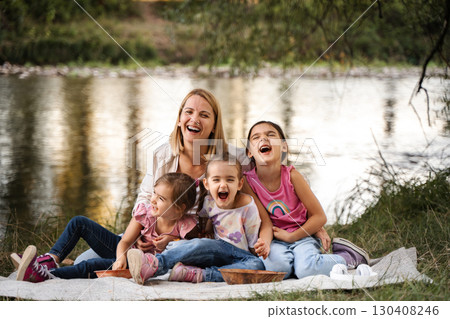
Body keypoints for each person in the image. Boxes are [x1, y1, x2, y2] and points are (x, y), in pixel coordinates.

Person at [73, 88, 274, 263]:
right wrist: (144, 231)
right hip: (157, 232)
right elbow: (145, 197)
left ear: (214, 125)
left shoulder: (232, 158)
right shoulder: (162, 155)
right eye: (189, 112)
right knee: (84, 260)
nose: (194, 119)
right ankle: (56, 263)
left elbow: (266, 168)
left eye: (204, 115)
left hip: (194, 242)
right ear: (179, 120)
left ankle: (150, 264)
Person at [15, 173, 197, 282]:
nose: (153, 200)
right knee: (79, 222)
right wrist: (120, 258)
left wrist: (173, 241)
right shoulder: (146, 212)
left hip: (139, 265)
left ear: (180, 209)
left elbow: (192, 252)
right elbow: (125, 240)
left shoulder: (185, 226)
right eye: (154, 194)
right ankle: (50, 259)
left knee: (90, 266)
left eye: (161, 199)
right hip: (122, 253)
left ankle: (48, 275)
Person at [244, 121, 370, 279]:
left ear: (284, 147)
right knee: (277, 271)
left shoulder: (292, 176)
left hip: (303, 236)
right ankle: (294, 261)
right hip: (275, 239)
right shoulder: (248, 182)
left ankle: (348, 257)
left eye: (270, 135)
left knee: (306, 270)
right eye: (256, 137)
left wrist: (292, 236)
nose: (263, 139)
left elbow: (319, 216)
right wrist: (265, 244)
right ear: (249, 152)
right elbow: (266, 222)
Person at [127, 154, 264, 284]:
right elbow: (203, 224)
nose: (223, 185)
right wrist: (207, 232)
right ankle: (155, 264)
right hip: (213, 251)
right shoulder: (208, 202)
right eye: (216, 180)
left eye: (230, 179)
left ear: (240, 184)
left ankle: (199, 275)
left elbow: (253, 243)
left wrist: (259, 250)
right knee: (195, 244)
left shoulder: (248, 207)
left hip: (238, 255)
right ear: (207, 183)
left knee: (257, 265)